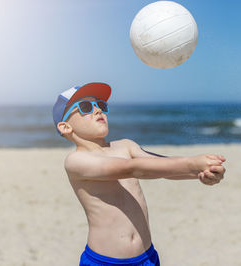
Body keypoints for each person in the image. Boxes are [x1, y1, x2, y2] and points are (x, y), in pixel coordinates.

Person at [52, 82, 226, 266]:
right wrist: (191, 163)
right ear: (65, 127)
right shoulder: (76, 161)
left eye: (100, 105)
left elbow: (161, 166)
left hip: (147, 258)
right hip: (104, 261)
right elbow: (132, 168)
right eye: (85, 107)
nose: (97, 111)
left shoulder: (126, 145)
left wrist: (202, 172)